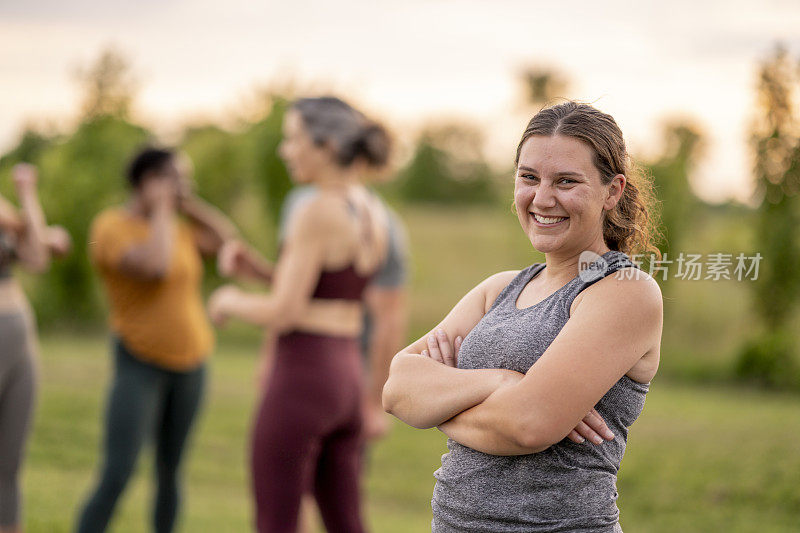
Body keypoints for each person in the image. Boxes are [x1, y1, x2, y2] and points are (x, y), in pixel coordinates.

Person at [383, 101, 663, 532]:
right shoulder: (499, 288)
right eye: (529, 177)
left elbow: (527, 426)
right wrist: (500, 383)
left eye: (566, 181)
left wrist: (437, 402)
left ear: (613, 191)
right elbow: (398, 388)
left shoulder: (625, 292)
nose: (542, 198)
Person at [208, 96, 391, 533]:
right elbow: (324, 292)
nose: (285, 151)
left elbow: (285, 312)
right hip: (346, 376)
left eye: (293, 140)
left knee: (277, 519)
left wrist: (228, 299)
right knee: (347, 522)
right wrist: (259, 271)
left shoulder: (316, 210)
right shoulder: (370, 209)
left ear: (325, 145)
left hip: (304, 377)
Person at [76, 147, 239, 533]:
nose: (184, 187)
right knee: (119, 471)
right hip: (140, 361)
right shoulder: (111, 227)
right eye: (176, 178)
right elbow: (156, 267)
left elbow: (227, 239)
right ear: (148, 181)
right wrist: (165, 208)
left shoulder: (180, 227)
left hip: (192, 362)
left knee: (171, 471)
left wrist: (188, 203)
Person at [0, 163, 70, 533]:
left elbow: (36, 255)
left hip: (18, 332)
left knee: (8, 466)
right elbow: (37, 248)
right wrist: (39, 235)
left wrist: (27, 194)